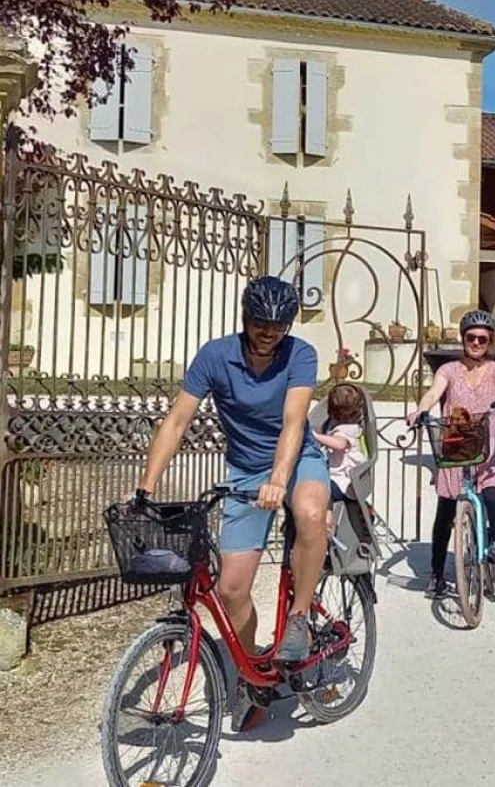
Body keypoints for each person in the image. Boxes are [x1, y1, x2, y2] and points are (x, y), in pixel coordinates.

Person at [136, 275, 332, 733]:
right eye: (261, 323)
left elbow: (293, 422)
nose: (269, 332)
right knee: (230, 590)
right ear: (245, 319)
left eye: (278, 325)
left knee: (308, 513)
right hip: (245, 470)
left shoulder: (299, 354)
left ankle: (299, 616)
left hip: (297, 460)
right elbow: (177, 420)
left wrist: (280, 480)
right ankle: (250, 673)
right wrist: (144, 489)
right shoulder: (215, 356)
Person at [408, 310, 495, 598]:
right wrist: (421, 410)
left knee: (494, 498)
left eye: (482, 339)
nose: (476, 343)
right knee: (446, 509)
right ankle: (436, 574)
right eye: (471, 337)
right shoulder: (448, 370)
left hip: (490, 447)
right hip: (456, 445)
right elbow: (434, 392)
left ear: (490, 341)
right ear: (463, 339)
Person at [314, 383, 366, 501]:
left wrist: (315, 436)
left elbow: (340, 444)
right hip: (337, 480)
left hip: (343, 484)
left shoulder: (347, 430)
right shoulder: (346, 426)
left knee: (312, 490)